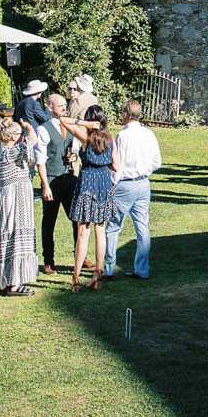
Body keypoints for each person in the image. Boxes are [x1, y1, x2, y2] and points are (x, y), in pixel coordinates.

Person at [0, 116, 43, 296]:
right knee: (15, 237)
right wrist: (29, 128)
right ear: (14, 136)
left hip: (1, 196)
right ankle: (14, 283)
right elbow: (33, 143)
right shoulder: (13, 151)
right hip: (15, 198)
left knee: (3, 238)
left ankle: (1, 278)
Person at [105, 100, 161, 280]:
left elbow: (117, 163)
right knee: (142, 226)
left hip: (125, 183)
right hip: (143, 183)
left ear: (127, 115)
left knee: (113, 226)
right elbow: (156, 162)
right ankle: (142, 269)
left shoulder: (122, 136)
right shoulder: (149, 134)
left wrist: (113, 182)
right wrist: (144, 171)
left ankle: (108, 268)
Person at [68, 106, 117, 291]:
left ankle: (76, 277)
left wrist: (84, 123)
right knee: (100, 230)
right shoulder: (109, 139)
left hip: (88, 182)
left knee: (83, 231)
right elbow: (116, 165)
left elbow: (64, 120)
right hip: (104, 183)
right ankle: (98, 273)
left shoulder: (86, 138)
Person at [38, 92, 79, 274]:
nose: (64, 107)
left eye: (65, 104)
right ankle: (48, 260)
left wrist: (74, 156)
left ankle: (80, 255)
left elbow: (76, 148)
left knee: (77, 219)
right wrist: (45, 185)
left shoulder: (70, 125)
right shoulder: (43, 129)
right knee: (49, 222)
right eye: (60, 105)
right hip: (52, 179)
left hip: (69, 178)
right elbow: (40, 160)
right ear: (50, 107)